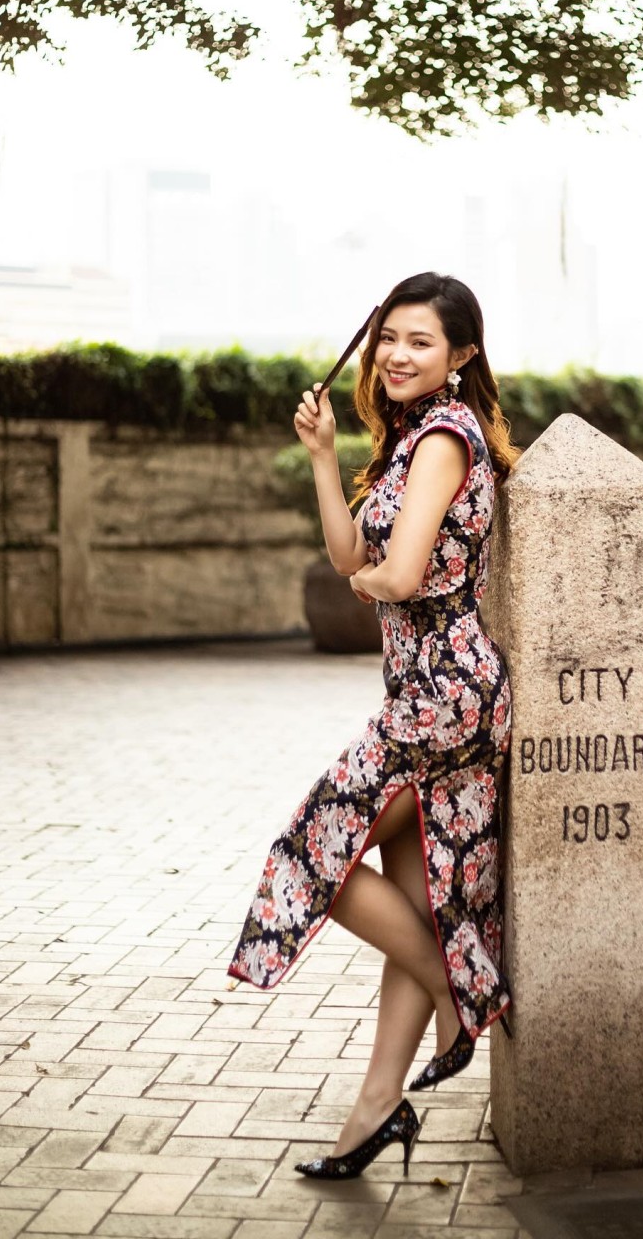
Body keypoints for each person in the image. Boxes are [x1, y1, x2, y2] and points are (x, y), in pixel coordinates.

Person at [227, 272, 518, 1180]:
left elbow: (396, 576)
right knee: (415, 891)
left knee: (311, 854)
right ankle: (373, 1114)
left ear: (461, 355)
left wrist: (377, 581)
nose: (396, 354)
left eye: (421, 341)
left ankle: (453, 982)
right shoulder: (402, 442)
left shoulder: (444, 436)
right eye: (388, 337)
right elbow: (355, 555)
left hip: (445, 695)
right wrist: (323, 456)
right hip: (419, 695)